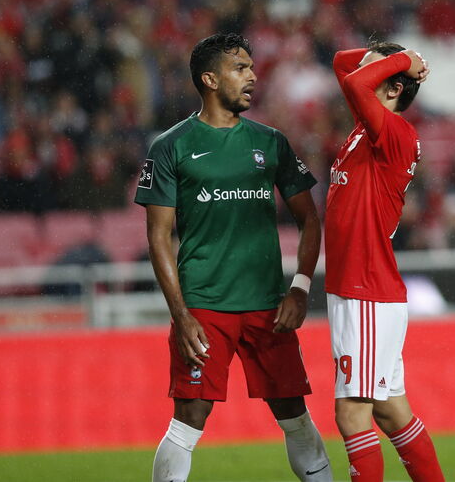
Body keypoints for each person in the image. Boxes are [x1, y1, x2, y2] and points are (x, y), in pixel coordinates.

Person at [135, 33, 332, 482]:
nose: (252, 76)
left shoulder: (271, 141)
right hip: (205, 307)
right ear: (209, 79)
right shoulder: (171, 146)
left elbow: (310, 219)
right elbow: (158, 236)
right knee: (189, 419)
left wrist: (300, 289)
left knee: (294, 414)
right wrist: (181, 315)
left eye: (251, 67)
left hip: (268, 306)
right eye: (240, 68)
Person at [325, 41, 444, 482]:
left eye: (373, 70)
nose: (361, 72)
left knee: (351, 414)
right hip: (359, 289)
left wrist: (402, 62)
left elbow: (356, 82)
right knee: (392, 414)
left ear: (393, 88)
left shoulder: (394, 133)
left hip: (366, 291)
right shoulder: (367, 126)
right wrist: (398, 57)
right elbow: (341, 62)